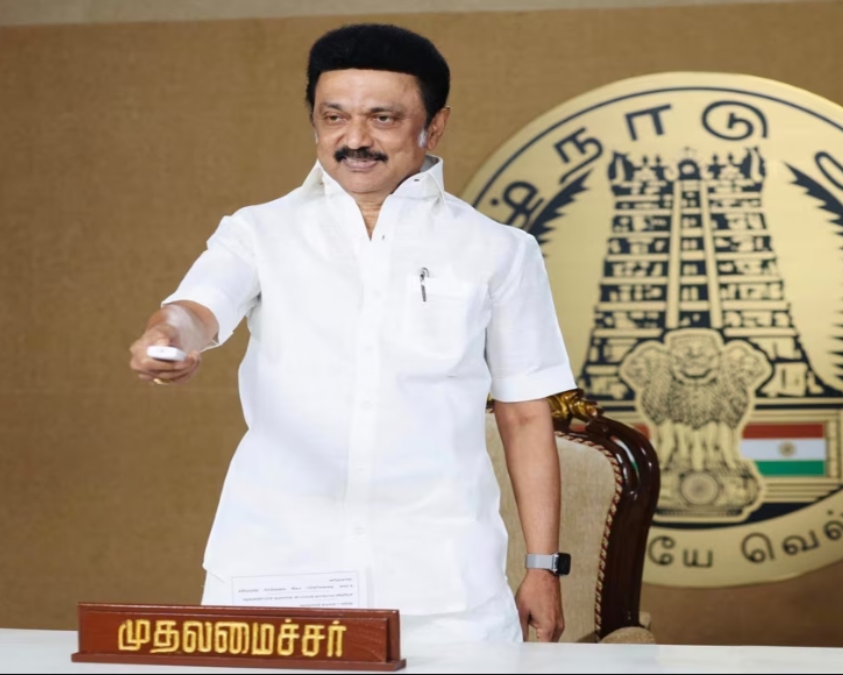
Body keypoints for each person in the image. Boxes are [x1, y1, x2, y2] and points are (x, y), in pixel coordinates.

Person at [129, 23, 576, 645]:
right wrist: (169, 334)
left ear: (434, 127)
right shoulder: (257, 232)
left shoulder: (499, 250)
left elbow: (525, 417)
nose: (355, 140)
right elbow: (196, 311)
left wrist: (542, 567)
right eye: (333, 117)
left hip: (445, 588)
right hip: (274, 570)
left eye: (383, 119)